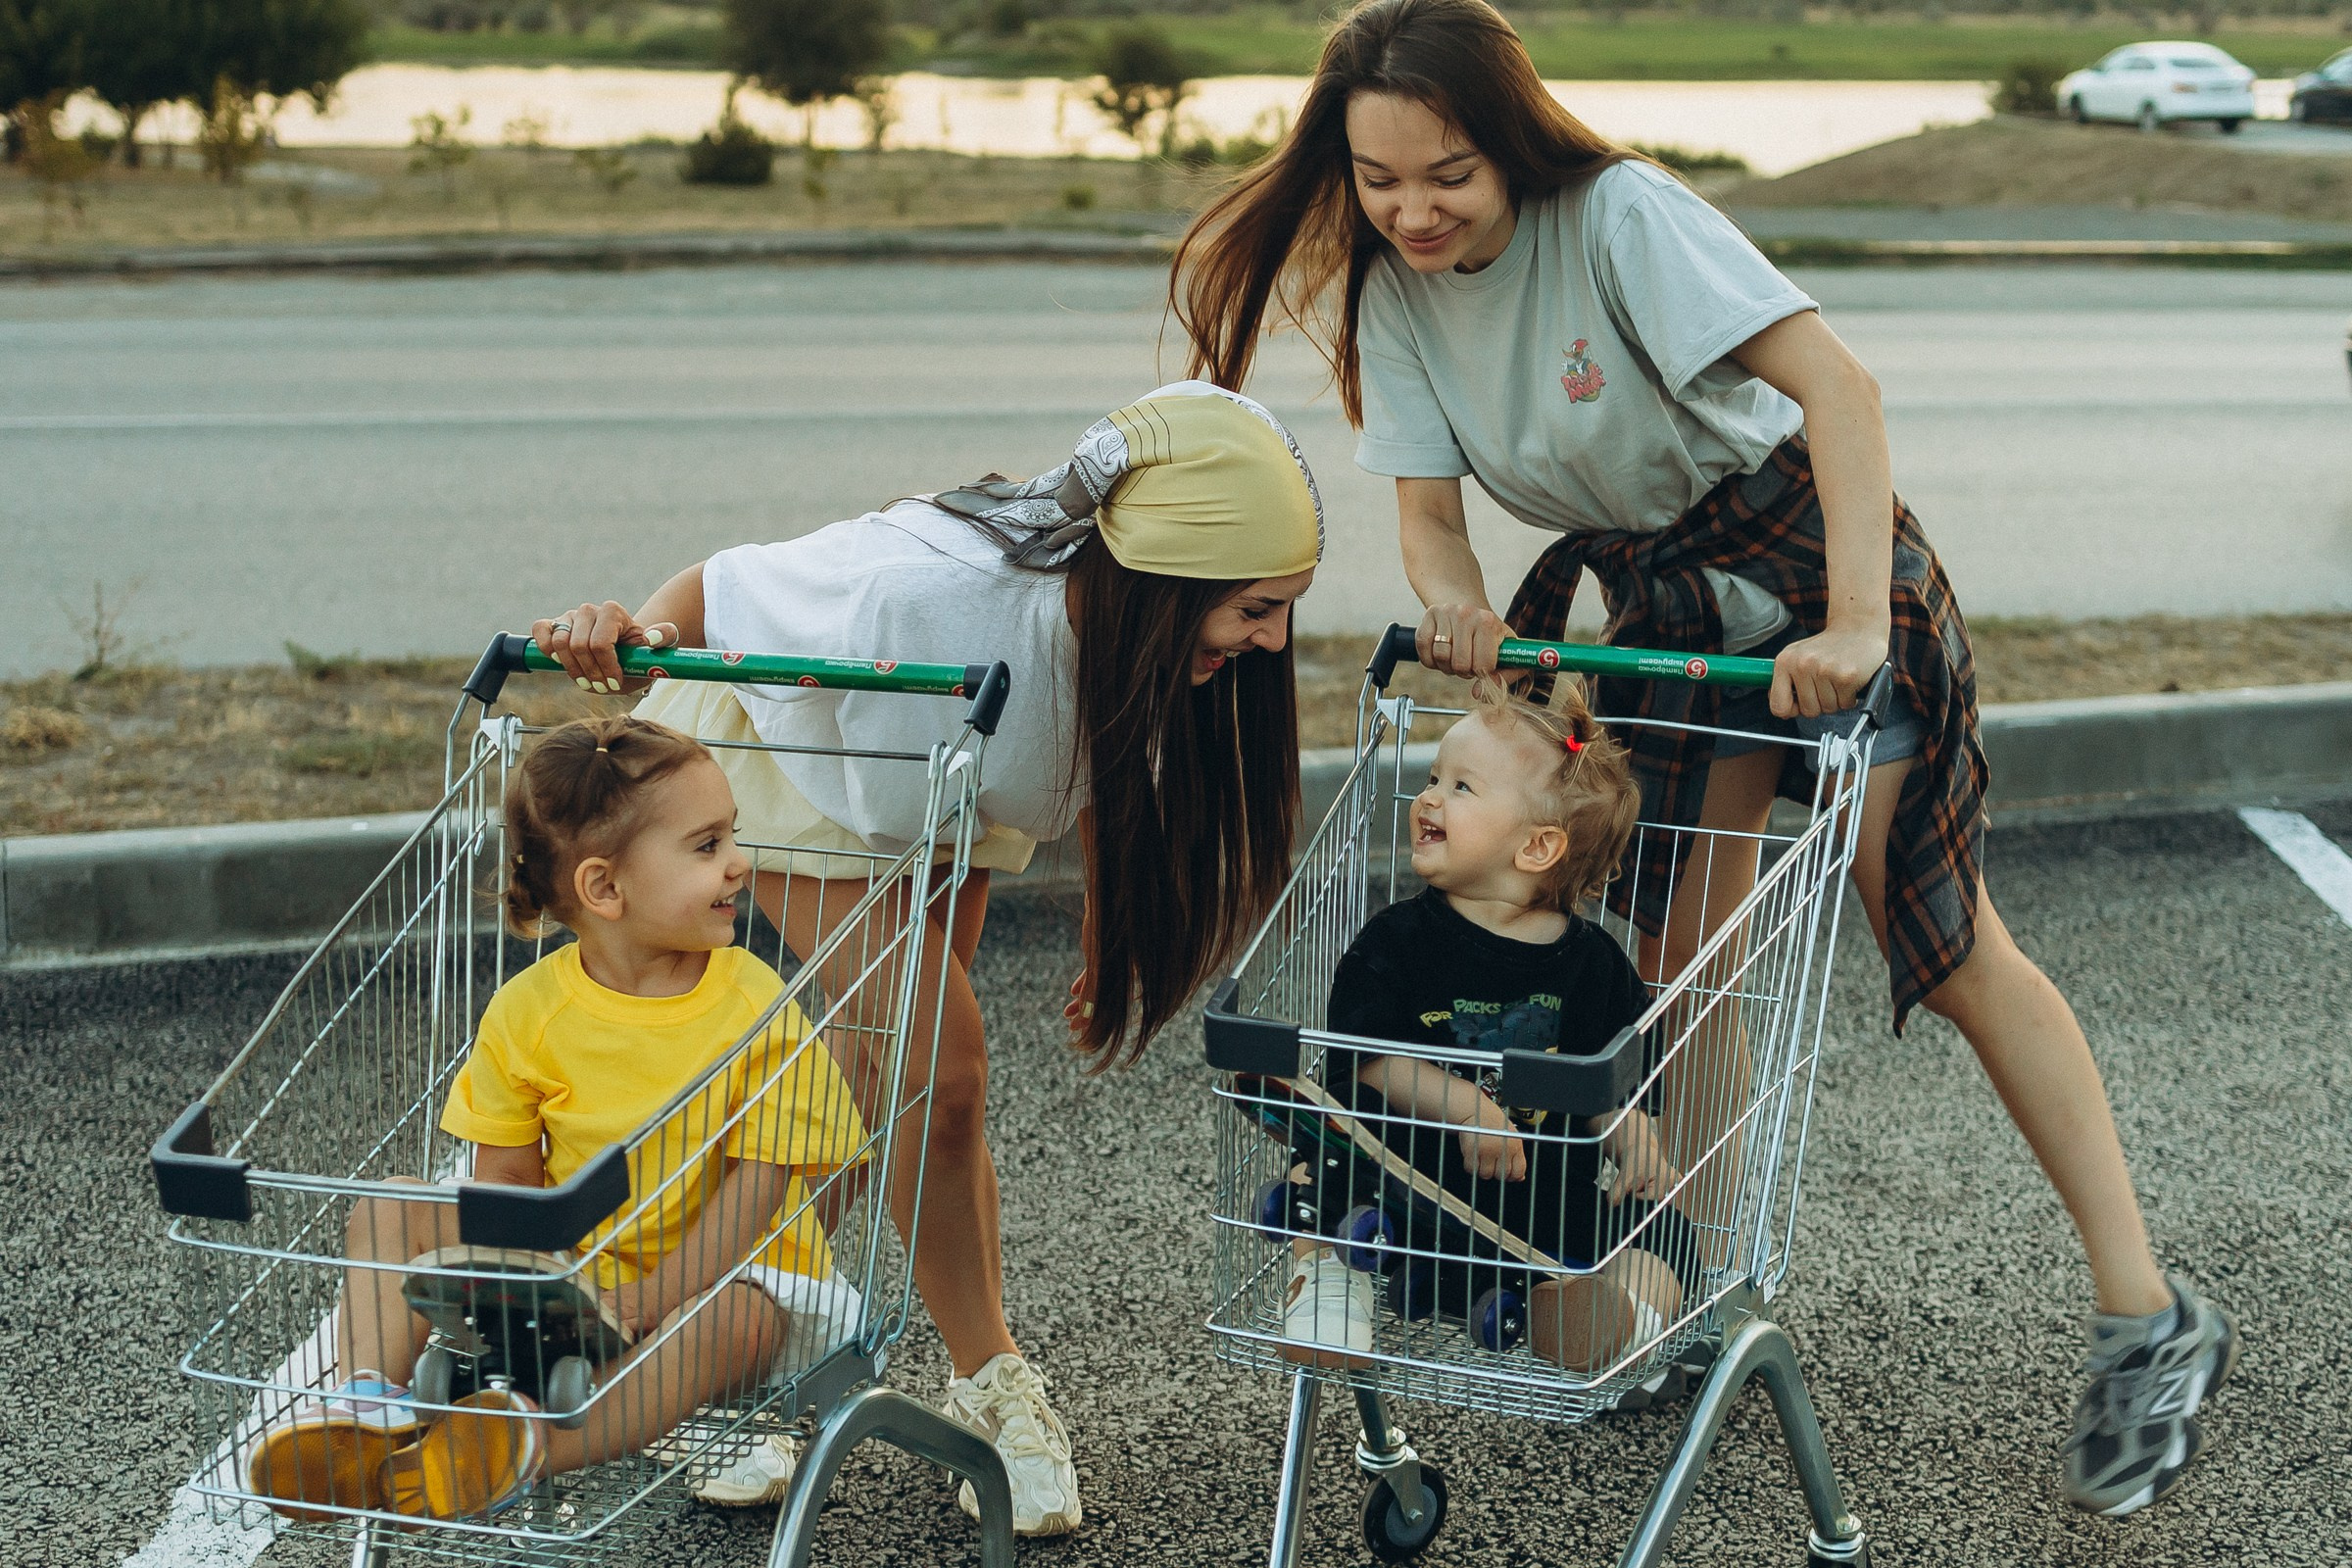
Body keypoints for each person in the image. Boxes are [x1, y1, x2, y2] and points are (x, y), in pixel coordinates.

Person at [1171, 0, 2232, 1517]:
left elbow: (1841, 392)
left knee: (1934, 940)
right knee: (1679, 959)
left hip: (1809, 562)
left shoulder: (1621, 217)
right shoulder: (1393, 292)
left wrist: (1854, 623)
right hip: (1672, 614)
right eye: (1379, 179)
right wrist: (1460, 609)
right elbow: (1427, 516)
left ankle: (2147, 1311)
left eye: (1449, 175)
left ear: (1513, 146)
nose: (1413, 211)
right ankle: (1694, 1281)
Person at [532, 380, 1324, 1536]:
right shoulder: (923, 595)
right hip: (799, 758)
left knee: (868, 1092)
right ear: (1165, 575)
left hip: (940, 777)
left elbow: (1108, 765)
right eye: (1255, 608)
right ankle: (990, 1379)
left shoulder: (1154, 643)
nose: (1275, 640)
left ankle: (725, 1347)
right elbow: (718, 587)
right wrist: (629, 642)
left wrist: (1106, 929)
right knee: (941, 1075)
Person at [248, 715, 868, 1523]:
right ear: (605, 889)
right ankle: (367, 1409)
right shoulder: (527, 1011)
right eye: (707, 846)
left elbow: (756, 1197)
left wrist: (650, 1299)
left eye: (732, 837)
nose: (739, 863)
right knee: (393, 1203)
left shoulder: (755, 1003)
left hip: (743, 1283)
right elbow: (507, 1179)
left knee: (733, 1320)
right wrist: (537, 1285)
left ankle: (523, 1450)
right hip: (581, 1277)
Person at [1291, 678, 1698, 1387]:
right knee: (1319, 1166)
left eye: (1461, 787)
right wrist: (1468, 1108)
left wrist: (1634, 1138)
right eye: (1432, 778)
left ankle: (1616, 1322)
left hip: (1535, 1210)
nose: (1429, 798)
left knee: (1666, 1238)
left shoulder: (1595, 967)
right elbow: (1369, 1060)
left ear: (1537, 847)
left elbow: (1608, 1085)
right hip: (1405, 1194)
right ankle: (1329, 1293)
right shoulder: (1398, 940)